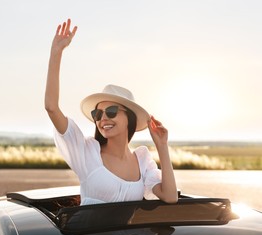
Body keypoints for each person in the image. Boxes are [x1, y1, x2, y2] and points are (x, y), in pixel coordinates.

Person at [45, 19, 177, 205]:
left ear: (128, 117)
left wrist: (162, 147)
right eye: (97, 114)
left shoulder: (142, 161)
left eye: (112, 111)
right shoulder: (86, 153)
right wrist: (56, 53)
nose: (103, 118)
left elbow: (170, 197)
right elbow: (51, 107)